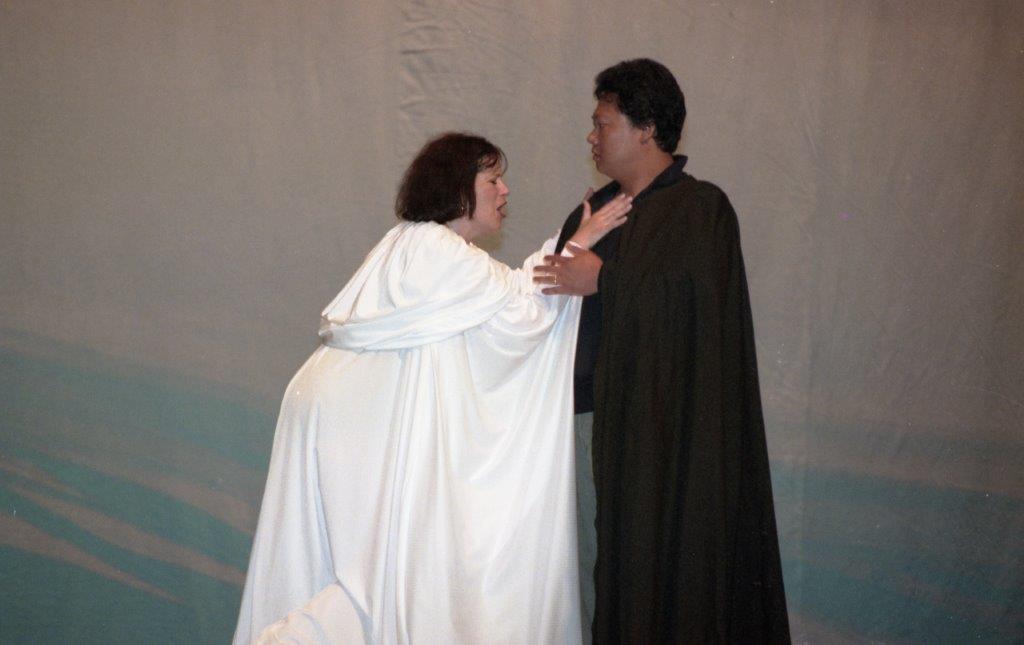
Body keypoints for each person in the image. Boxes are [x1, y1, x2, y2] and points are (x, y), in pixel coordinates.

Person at [233, 132, 632, 644]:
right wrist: (578, 242)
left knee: (358, 571)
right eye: (493, 179)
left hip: (335, 416)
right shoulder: (440, 251)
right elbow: (521, 313)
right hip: (352, 428)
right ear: (459, 188)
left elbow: (503, 297)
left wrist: (569, 239)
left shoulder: (409, 243)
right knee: (373, 581)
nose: (505, 190)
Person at [534, 59, 791, 643]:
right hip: (583, 422)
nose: (592, 136)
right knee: (588, 578)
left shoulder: (700, 210)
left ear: (647, 128)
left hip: (663, 437)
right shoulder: (594, 212)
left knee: (657, 575)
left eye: (603, 123)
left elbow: (698, 313)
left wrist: (606, 279)